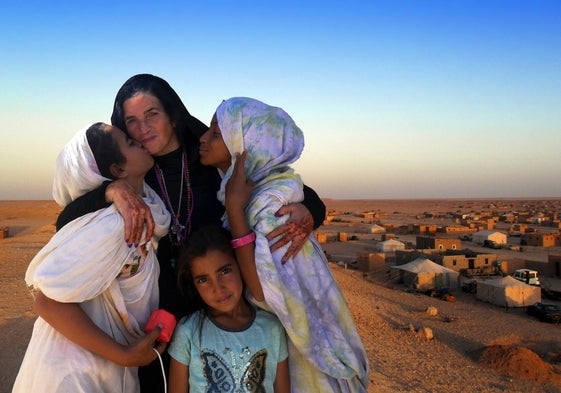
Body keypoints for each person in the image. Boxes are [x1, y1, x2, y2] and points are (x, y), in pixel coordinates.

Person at [53, 74, 326, 392]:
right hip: (158, 323)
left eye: (152, 114)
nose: (142, 130)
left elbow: (285, 185)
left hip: (224, 305)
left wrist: (311, 211)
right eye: (132, 121)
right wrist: (110, 192)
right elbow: (65, 224)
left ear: (172, 113)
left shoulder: (211, 157)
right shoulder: (131, 173)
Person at [198, 97, 370, 392]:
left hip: (305, 360)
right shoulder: (262, 191)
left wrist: (236, 210)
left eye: (216, 133)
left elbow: (264, 291)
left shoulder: (271, 206)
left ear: (244, 146)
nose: (202, 138)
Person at [12, 123, 171, 392]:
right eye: (130, 143)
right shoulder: (113, 223)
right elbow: (47, 301)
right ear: (117, 171)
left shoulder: (145, 212)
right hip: (73, 375)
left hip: (105, 371)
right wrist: (124, 354)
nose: (139, 140)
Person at [167, 225, 290, 393]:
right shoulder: (188, 331)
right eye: (203, 280)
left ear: (240, 265)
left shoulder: (272, 329)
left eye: (224, 271)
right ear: (194, 285)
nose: (218, 288)